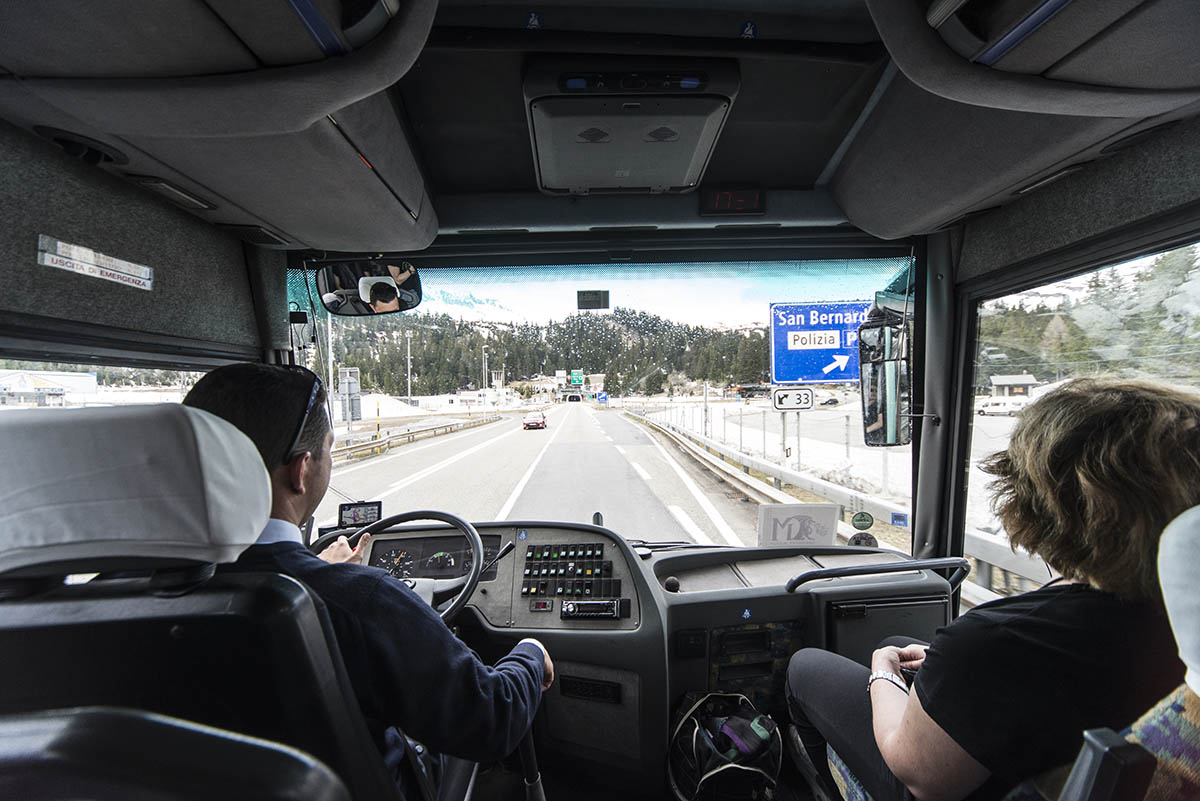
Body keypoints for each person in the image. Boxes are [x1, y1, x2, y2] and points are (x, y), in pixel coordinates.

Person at [786, 378, 1198, 801]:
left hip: (931, 783)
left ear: (1043, 507)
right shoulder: (1185, 622)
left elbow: (919, 776)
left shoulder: (995, 642)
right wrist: (950, 669)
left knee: (805, 666)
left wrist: (882, 671)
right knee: (898, 643)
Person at [182, 363, 553, 796]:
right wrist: (530, 654)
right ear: (301, 471)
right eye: (328, 449)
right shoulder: (360, 599)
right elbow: (492, 719)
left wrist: (312, 567)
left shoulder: (126, 586)